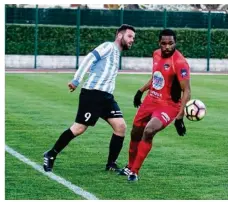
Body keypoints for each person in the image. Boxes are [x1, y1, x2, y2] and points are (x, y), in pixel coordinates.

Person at [43, 24, 135, 172]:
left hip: (107, 97)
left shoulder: (117, 53)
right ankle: (51, 154)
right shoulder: (108, 47)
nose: (132, 40)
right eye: (129, 36)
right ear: (119, 35)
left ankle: (111, 164)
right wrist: (76, 80)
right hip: (93, 94)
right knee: (79, 128)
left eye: (133, 38)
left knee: (121, 127)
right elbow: (89, 59)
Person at [119, 29, 191, 181]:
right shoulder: (156, 54)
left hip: (168, 106)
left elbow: (187, 91)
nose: (167, 47)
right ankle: (129, 166)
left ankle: (135, 172)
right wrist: (141, 90)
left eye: (170, 43)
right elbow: (156, 77)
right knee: (135, 133)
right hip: (150, 100)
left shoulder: (180, 63)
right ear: (159, 43)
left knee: (149, 131)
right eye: (163, 43)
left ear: (175, 43)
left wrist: (180, 117)